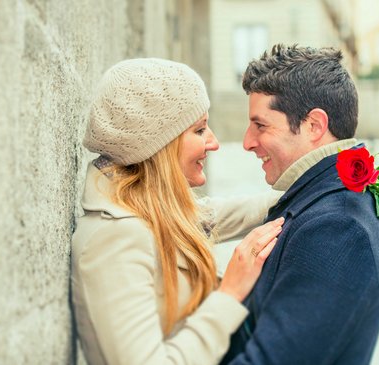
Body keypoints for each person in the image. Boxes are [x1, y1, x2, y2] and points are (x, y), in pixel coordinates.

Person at [70, 58, 283, 365]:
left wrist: (324, 175)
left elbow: (237, 211)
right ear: (159, 145)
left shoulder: (153, 213)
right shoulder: (115, 239)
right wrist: (230, 294)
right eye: (199, 130)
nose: (214, 143)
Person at [221, 44, 379, 365]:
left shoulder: (338, 229)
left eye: (261, 125)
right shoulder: (328, 196)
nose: (247, 142)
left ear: (314, 125)